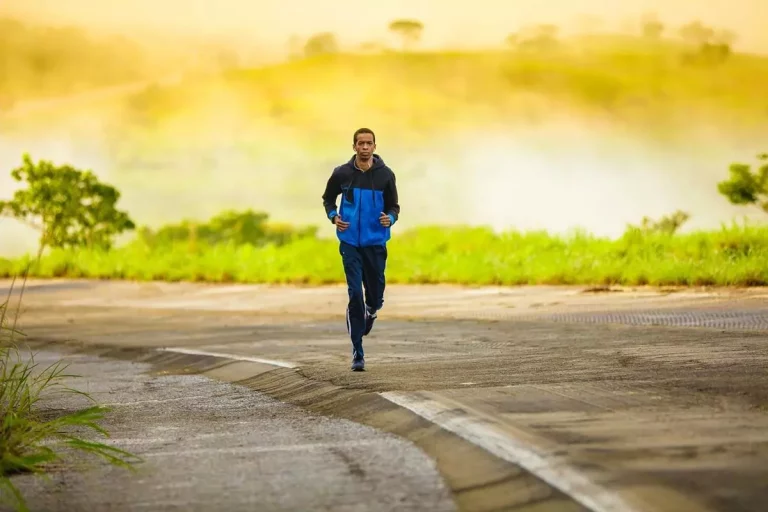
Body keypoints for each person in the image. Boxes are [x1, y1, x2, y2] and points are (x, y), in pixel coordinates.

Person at [322, 128, 400, 371]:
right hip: (350, 243)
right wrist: (334, 217)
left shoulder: (386, 175)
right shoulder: (342, 173)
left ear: (375, 147)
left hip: (375, 242)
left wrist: (390, 218)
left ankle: (371, 310)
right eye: (360, 143)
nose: (365, 147)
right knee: (354, 292)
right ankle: (357, 351)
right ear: (354, 147)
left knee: (374, 295)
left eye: (369, 143)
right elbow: (327, 199)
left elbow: (394, 206)